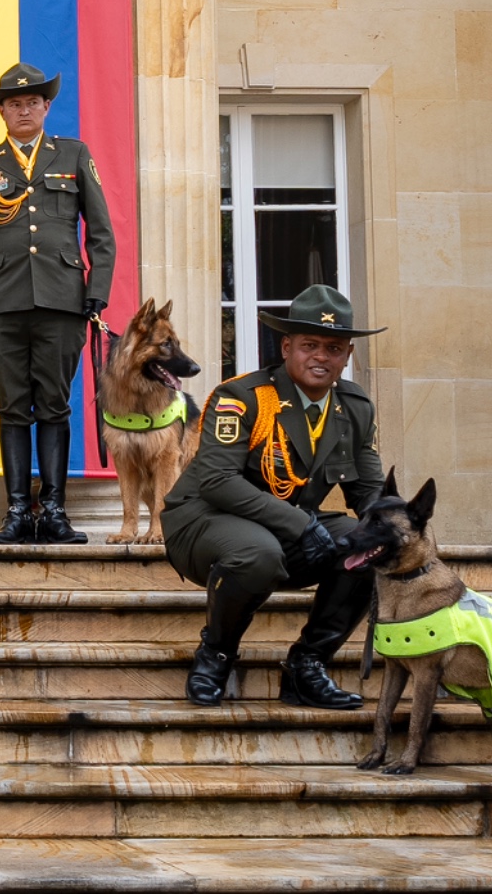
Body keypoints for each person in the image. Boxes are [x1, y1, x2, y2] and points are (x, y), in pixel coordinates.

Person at [161, 284, 383, 709]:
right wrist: (301, 524)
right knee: (257, 553)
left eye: (334, 348)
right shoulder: (243, 397)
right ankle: (217, 653)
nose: (321, 356)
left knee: (369, 544)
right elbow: (217, 482)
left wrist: (400, 536)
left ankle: (307, 666)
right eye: (310, 345)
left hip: (285, 531)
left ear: (348, 355)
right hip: (203, 522)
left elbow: (368, 492)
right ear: (286, 346)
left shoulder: (353, 408)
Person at [0, 61, 115, 545]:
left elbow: (101, 233)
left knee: (54, 405)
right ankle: (17, 513)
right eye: (14, 103)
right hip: (0, 301)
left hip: (62, 300)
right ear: (1, 111)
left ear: (47, 106)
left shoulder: (74, 153)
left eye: (32, 101)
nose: (23, 109)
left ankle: (55, 513)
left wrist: (96, 294)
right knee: (11, 409)